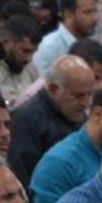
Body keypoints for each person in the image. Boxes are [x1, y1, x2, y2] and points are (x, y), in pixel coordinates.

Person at [10, 55, 91, 184]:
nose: (86, 103)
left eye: (90, 94)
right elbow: (22, 178)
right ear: (53, 90)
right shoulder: (26, 119)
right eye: (78, 96)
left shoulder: (78, 113)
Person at [31, 0, 98, 76]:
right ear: (68, 14)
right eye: (87, 12)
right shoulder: (49, 48)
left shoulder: (91, 45)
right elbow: (42, 82)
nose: (95, 19)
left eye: (95, 11)